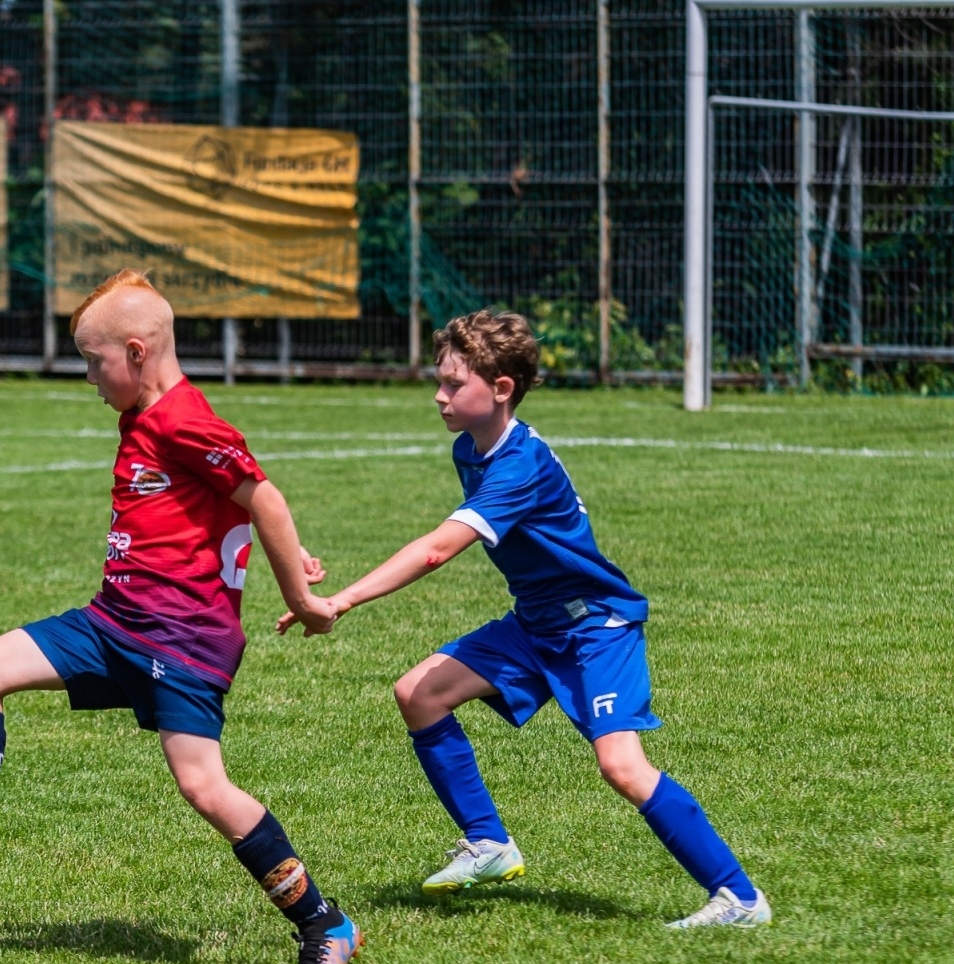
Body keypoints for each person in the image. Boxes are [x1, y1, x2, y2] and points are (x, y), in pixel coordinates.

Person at [0, 269, 365, 964]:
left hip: (183, 640)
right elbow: (221, 510)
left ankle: (326, 925)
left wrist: (307, 598)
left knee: (203, 786)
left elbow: (266, 501)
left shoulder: (182, 418)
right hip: (113, 623)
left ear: (136, 352)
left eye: (92, 360)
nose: (88, 376)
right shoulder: (143, 414)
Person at [280, 309, 769, 928]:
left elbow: (436, 550)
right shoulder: (472, 449)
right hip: (537, 623)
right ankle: (489, 844)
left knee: (621, 765)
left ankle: (740, 898)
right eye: (440, 379)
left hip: (595, 626)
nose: (439, 394)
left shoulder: (519, 465)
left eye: (455, 384)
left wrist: (340, 600)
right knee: (418, 694)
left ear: (502, 388)